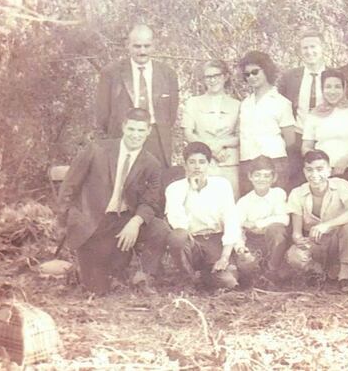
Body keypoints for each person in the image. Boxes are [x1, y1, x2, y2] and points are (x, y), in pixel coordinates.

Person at [59, 108, 169, 295]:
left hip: (123, 221)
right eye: (132, 129)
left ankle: (144, 277)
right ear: (124, 127)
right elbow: (69, 186)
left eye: (141, 131)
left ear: (148, 131)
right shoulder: (97, 149)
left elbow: (150, 201)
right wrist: (68, 219)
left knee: (160, 229)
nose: (136, 135)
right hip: (93, 222)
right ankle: (97, 269)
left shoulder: (152, 164)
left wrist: (135, 222)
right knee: (97, 290)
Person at [95, 25, 179, 167]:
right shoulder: (111, 73)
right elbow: (102, 115)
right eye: (137, 46)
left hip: (156, 139)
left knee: (157, 184)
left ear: (154, 46)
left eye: (147, 46)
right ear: (128, 46)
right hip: (123, 138)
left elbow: (171, 114)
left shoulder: (168, 74)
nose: (142, 51)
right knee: (125, 184)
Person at [165, 142, 242, 290]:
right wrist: (190, 190)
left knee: (229, 281)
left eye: (202, 162)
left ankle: (206, 276)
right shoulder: (175, 189)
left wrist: (224, 257)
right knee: (178, 236)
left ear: (209, 164)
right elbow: (178, 223)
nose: (197, 167)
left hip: (216, 241)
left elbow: (231, 220)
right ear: (185, 165)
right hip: (192, 243)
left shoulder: (222, 185)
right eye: (192, 162)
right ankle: (188, 278)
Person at [287, 150, 348, 283]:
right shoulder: (297, 193)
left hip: (338, 241)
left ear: (329, 171)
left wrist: (326, 225)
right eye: (309, 170)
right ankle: (319, 271)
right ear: (304, 172)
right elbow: (296, 233)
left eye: (319, 169)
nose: (314, 174)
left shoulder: (341, 185)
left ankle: (343, 276)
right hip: (315, 242)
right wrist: (299, 240)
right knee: (293, 255)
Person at [302, 69, 348, 206]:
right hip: (322, 173)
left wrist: (344, 161)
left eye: (337, 86)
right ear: (322, 89)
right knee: (326, 211)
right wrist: (320, 165)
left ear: (344, 88)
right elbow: (306, 146)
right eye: (328, 87)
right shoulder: (314, 114)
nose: (332, 91)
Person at [277, 31, 331, 187]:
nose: (309, 52)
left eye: (313, 47)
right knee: (296, 182)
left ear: (322, 48)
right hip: (298, 137)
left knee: (326, 181)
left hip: (325, 135)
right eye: (305, 48)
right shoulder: (290, 77)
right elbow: (282, 106)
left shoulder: (334, 75)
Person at [238, 50, 295, 194]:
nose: (251, 76)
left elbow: (290, 140)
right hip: (248, 163)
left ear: (266, 70)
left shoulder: (281, 102)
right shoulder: (245, 103)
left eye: (255, 72)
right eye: (247, 74)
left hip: (274, 163)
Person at [182, 60, 240, 195]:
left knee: (229, 202)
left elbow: (241, 136)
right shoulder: (193, 102)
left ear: (225, 77)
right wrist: (210, 150)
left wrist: (220, 144)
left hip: (228, 162)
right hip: (201, 162)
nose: (212, 80)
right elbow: (188, 133)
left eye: (217, 76)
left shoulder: (237, 105)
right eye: (208, 77)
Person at [234, 156, 291, 284]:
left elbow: (284, 218)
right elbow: (237, 227)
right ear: (250, 176)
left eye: (266, 176)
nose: (261, 179)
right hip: (253, 241)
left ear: (274, 178)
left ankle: (272, 270)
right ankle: (259, 274)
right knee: (245, 265)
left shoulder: (278, 194)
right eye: (257, 175)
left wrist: (257, 223)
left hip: (274, 241)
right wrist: (240, 247)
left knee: (276, 229)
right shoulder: (244, 201)